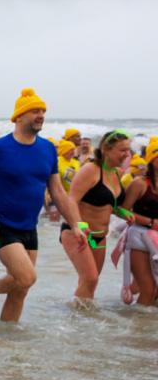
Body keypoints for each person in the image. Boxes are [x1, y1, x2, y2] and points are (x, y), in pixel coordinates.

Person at [0, 89, 88, 322]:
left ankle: (7, 340)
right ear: (18, 117)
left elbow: (58, 191)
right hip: (0, 224)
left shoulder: (48, 149)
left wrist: (75, 225)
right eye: (35, 111)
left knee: (21, 289)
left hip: (29, 227)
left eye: (42, 111)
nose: (40, 115)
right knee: (27, 277)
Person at [57, 130, 129, 304]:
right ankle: (78, 319)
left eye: (128, 150)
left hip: (98, 236)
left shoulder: (117, 172)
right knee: (90, 278)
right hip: (77, 232)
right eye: (122, 150)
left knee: (91, 281)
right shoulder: (90, 169)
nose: (127, 154)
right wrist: (80, 226)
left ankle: (83, 323)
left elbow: (107, 204)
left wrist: (124, 213)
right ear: (106, 149)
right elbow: (71, 200)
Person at [117, 140, 158, 305]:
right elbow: (121, 210)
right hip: (139, 238)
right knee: (148, 289)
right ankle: (135, 327)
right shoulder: (139, 183)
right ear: (151, 159)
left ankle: (146, 328)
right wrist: (150, 222)